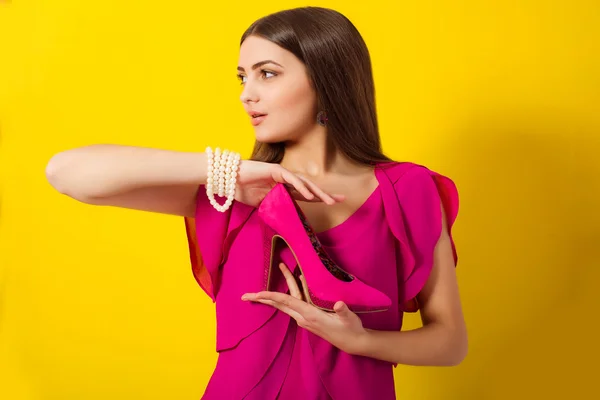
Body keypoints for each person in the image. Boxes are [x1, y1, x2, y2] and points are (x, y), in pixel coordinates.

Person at [45, 6, 467, 400]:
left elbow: (449, 340)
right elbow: (65, 172)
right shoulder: (230, 190)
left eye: (267, 74)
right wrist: (234, 171)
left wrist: (359, 341)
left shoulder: (408, 188)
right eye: (242, 77)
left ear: (326, 78)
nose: (247, 94)